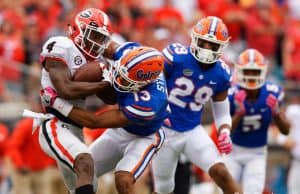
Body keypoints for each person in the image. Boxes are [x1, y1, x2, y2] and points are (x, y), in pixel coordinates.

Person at [40, 45, 169, 194]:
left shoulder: (151, 102)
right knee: (82, 173)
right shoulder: (133, 54)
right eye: (120, 73)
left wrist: (57, 103)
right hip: (121, 131)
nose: (118, 80)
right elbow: (107, 46)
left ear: (144, 83)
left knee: (123, 179)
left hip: (145, 136)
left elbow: (95, 122)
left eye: (126, 81)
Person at [151, 16, 242, 194]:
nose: (207, 49)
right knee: (164, 188)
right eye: (204, 42)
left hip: (192, 130)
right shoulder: (175, 56)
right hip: (164, 130)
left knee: (220, 171)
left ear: (222, 47)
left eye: (213, 45)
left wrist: (224, 131)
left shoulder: (222, 73)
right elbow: (152, 82)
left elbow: (222, 112)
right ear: (194, 38)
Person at [36, 8, 114, 194]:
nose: (97, 43)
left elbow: (111, 99)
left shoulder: (97, 61)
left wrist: (113, 75)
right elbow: (66, 90)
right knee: (85, 161)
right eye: (93, 35)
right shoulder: (62, 46)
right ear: (77, 30)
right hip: (54, 123)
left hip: (76, 127)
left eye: (101, 38)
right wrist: (102, 84)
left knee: (87, 184)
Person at [223, 48, 290, 194]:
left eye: (255, 71)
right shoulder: (231, 94)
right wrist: (239, 114)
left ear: (263, 71)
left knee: (253, 190)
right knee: (226, 190)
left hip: (257, 153)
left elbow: (286, 131)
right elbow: (224, 131)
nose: (251, 75)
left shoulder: (273, 92)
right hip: (233, 151)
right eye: (247, 71)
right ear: (240, 71)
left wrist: (277, 114)